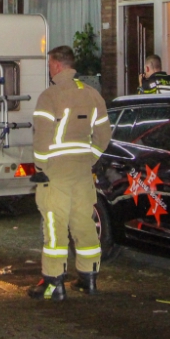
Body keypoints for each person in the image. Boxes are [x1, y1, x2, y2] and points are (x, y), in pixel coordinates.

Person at [28, 46, 112, 301]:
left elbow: (42, 138)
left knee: (55, 227)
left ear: (56, 65)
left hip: (56, 173)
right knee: (84, 224)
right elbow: (104, 135)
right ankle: (89, 279)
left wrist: (41, 167)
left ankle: (54, 284)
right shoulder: (92, 95)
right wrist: (91, 157)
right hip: (82, 172)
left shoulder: (49, 96)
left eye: (50, 63)